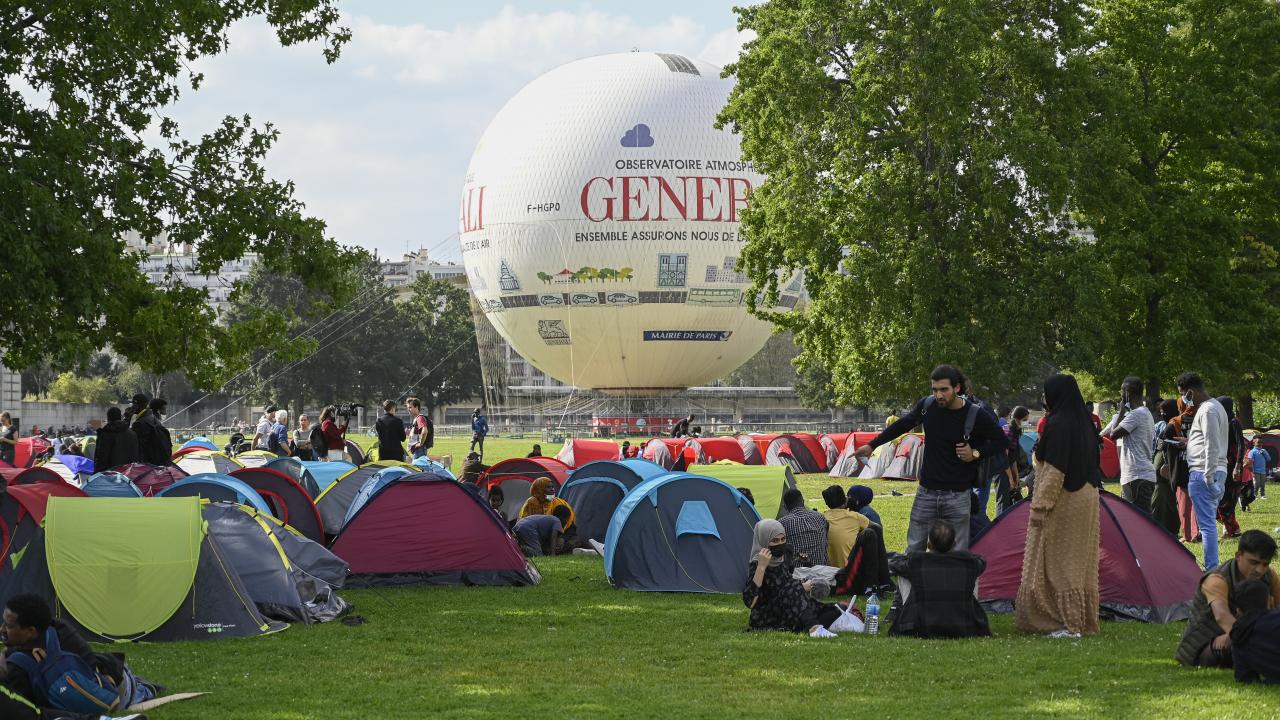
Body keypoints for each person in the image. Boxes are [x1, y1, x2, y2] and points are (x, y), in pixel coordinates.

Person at [855, 364, 1005, 552]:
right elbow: (903, 424)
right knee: (914, 549)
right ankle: (914, 582)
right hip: (926, 492)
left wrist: (975, 453)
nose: (939, 395)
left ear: (957, 388)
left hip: (958, 495)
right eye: (935, 390)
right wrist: (872, 445)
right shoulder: (927, 406)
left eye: (944, 390)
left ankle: (956, 582)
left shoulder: (975, 414)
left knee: (957, 552)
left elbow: (1001, 441)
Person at [1015, 373, 1101, 638]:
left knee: (1058, 560)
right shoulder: (1084, 422)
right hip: (1087, 496)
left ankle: (1064, 621)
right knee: (1078, 560)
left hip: (1065, 498)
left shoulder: (1058, 423)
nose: (1044, 398)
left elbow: (1054, 471)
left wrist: (1040, 506)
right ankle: (1079, 620)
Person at [2, 594, 159, 719]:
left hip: (101, 696)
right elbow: (90, 662)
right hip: (111, 683)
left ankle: (140, 690)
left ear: (31, 630)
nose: (2, 629)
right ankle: (141, 688)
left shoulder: (16, 666)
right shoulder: (59, 630)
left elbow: (25, 710)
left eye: (8, 626)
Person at [1176, 530, 1280, 668]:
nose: (1259, 570)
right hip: (1206, 648)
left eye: (1264, 564)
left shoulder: (1269, 576)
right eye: (1253, 562)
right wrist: (1262, 639)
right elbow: (1222, 617)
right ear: (1238, 556)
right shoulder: (1216, 579)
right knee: (1231, 638)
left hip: (1244, 637)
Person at [887, 520, 991, 638]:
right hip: (963, 627)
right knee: (973, 573)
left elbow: (894, 564)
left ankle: (909, 619)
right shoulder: (968, 562)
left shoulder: (917, 561)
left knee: (904, 573)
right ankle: (967, 611)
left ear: (929, 544)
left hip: (921, 627)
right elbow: (981, 561)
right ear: (954, 543)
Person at [743, 519, 845, 637]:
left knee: (835, 611)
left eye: (783, 539)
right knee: (793, 588)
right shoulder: (757, 563)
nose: (780, 544)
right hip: (768, 615)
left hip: (790, 607)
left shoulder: (782, 557)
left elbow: (786, 583)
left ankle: (820, 620)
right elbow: (750, 602)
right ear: (764, 541)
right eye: (774, 541)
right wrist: (761, 567)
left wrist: (803, 584)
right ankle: (814, 628)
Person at [1179, 372, 1228, 569]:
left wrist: (1207, 476)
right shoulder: (1216, 406)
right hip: (1215, 470)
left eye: (1183, 393)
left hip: (1204, 472)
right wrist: (1190, 442)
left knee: (1206, 527)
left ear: (1191, 390)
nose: (1183, 398)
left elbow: (1212, 444)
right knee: (1208, 525)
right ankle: (1212, 568)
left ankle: (1211, 569)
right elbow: (1208, 439)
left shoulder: (1207, 410)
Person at [1102, 376, 1158, 512]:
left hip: (1137, 476)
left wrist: (1121, 410)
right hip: (1139, 475)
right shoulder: (1144, 413)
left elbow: (1113, 434)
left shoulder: (1136, 414)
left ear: (1128, 393)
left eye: (1122, 392)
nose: (1120, 395)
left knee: (1141, 522)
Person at [1151, 399, 1185, 536]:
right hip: (1162, 466)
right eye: (1160, 411)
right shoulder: (1164, 424)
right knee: (1162, 498)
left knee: (1163, 499)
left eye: (1164, 411)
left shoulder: (1176, 424)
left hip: (1166, 467)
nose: (1162, 414)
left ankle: (1163, 528)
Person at [1216, 396, 1246, 539]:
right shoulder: (1221, 421)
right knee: (1219, 499)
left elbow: (1241, 445)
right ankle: (1232, 528)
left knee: (1228, 499)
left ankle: (1230, 529)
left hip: (1233, 466)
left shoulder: (1234, 422)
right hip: (1222, 464)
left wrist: (1237, 467)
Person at [820, 485, 870, 566]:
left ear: (827, 503)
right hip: (849, 570)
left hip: (826, 569)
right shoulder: (855, 517)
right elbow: (877, 528)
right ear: (845, 500)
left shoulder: (821, 518)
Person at [778, 488, 828, 566]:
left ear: (785, 507)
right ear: (803, 501)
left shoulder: (781, 523)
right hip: (820, 569)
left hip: (796, 572)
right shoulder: (820, 517)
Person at [93, 407, 138, 471]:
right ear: (120, 417)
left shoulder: (105, 434)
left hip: (111, 476)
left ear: (108, 418)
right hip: (129, 473)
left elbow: (101, 458)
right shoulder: (133, 434)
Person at [132, 398, 171, 467]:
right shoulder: (151, 424)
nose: (165, 413)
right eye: (164, 410)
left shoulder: (153, 422)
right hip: (152, 465)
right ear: (158, 411)